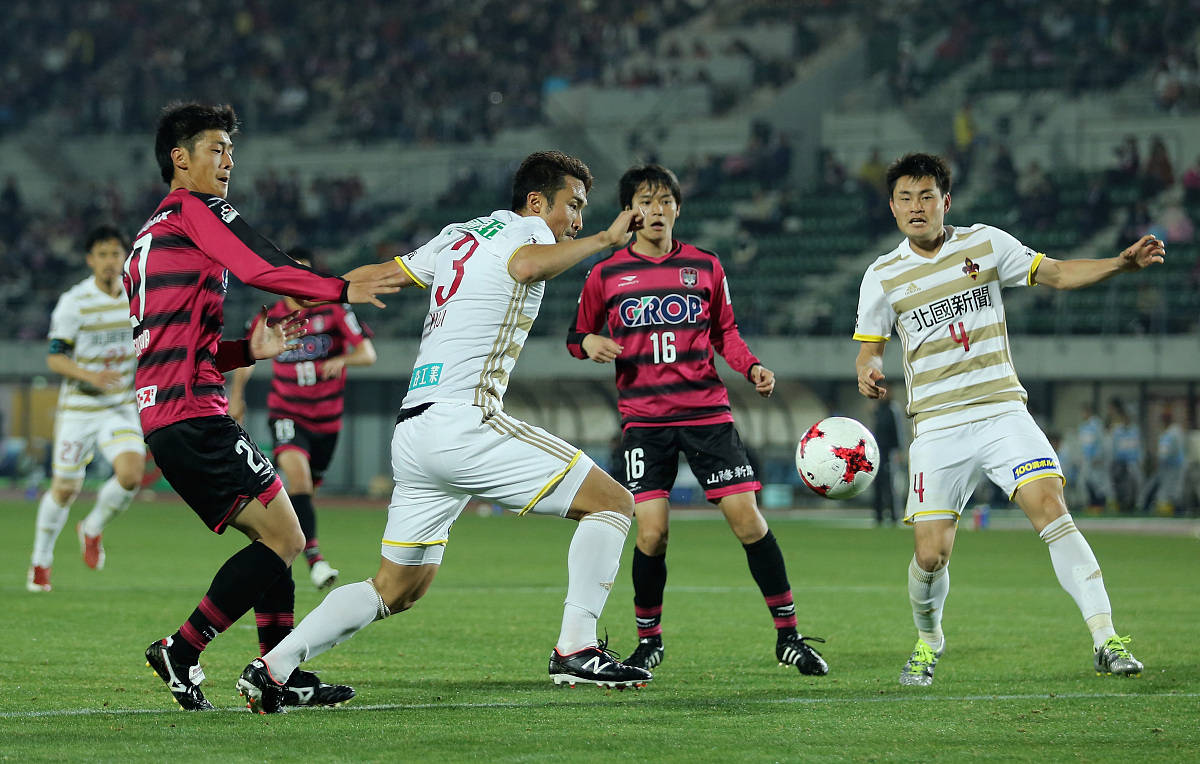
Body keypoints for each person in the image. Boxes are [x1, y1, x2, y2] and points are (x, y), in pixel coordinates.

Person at [235, 151, 652, 714]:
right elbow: (529, 265)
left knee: (397, 588)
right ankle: (576, 647)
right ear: (536, 202)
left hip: (414, 431)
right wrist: (604, 238)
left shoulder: (459, 236)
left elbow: (380, 276)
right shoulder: (526, 232)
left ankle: (274, 668)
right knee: (613, 503)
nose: (577, 218)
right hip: (464, 419)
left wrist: (314, 291)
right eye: (572, 206)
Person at [130, 102, 403, 711]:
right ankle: (184, 647)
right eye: (216, 149)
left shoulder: (147, 239)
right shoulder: (193, 210)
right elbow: (258, 262)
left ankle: (279, 674)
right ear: (181, 158)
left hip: (167, 412)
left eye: (231, 151)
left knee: (279, 535)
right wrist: (339, 288)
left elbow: (170, 345)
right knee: (287, 535)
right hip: (194, 415)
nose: (228, 162)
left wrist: (240, 351)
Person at [853, 152, 1159, 686]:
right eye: (905, 198)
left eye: (927, 196)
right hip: (937, 425)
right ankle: (929, 642)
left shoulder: (986, 243)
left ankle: (1106, 638)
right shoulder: (882, 276)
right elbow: (869, 349)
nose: (916, 207)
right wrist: (869, 372)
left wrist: (1120, 264)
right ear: (892, 207)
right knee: (931, 554)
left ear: (946, 201)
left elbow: (1057, 273)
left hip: (1001, 410)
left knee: (1051, 509)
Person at [565, 163, 829, 677]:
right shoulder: (606, 273)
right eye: (645, 201)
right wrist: (589, 343)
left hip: (707, 414)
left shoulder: (706, 266)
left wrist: (750, 365)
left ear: (678, 209)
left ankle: (789, 636)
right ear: (628, 212)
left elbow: (725, 332)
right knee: (652, 533)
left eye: (665, 201)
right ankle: (650, 641)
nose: (656, 210)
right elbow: (577, 336)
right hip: (645, 422)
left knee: (747, 520)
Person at [228, 247, 378, 590]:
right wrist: (236, 398)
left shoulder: (335, 309)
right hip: (287, 412)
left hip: (327, 421)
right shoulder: (270, 317)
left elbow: (367, 353)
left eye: (305, 274)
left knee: (304, 496)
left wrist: (344, 360)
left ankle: (274, 545)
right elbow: (246, 357)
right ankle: (315, 561)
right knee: (299, 482)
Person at [27, 225, 145, 592]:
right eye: (103, 254)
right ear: (90, 260)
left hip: (119, 406)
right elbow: (55, 358)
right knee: (64, 488)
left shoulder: (136, 296)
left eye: (116, 254)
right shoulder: (74, 302)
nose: (111, 261)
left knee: (130, 474)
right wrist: (90, 375)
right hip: (79, 408)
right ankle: (40, 563)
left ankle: (92, 528)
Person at [871, 396, 902, 526]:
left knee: (890, 485)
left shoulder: (892, 409)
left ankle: (895, 516)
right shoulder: (878, 410)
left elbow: (898, 431)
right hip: (877, 453)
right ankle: (878, 516)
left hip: (889, 453)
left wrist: (898, 450)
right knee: (877, 484)